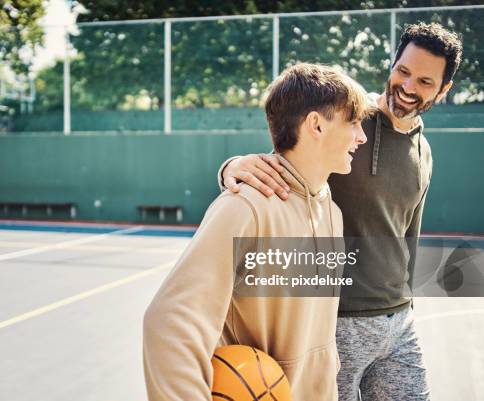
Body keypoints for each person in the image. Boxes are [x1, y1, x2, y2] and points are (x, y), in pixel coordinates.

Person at [218, 23, 463, 401]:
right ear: (393, 63)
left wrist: (407, 301)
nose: (408, 87)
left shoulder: (423, 150)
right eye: (403, 71)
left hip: (398, 322)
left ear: (444, 89)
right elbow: (284, 155)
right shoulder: (348, 118)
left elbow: (408, 233)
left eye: (426, 82)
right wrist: (232, 166)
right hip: (336, 322)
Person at [143, 63, 371, 401]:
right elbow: (169, 323)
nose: (361, 136)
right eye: (353, 122)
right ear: (316, 125)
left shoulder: (332, 213)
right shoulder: (245, 207)